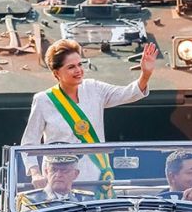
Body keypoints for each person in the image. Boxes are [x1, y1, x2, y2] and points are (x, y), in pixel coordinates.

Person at [21, 38, 158, 188]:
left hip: (96, 177)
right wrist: (35, 173)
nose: (78, 70)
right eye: (71, 67)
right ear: (56, 73)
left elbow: (128, 93)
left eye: (80, 64)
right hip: (59, 181)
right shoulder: (43, 100)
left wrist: (145, 74)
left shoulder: (94, 89)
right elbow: (29, 142)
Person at [16, 155, 94, 211]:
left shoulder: (86, 200)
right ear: (46, 172)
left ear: (76, 174)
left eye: (64, 170)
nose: (58, 175)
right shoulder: (30, 201)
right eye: (53, 170)